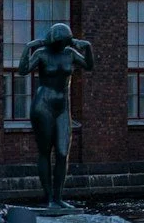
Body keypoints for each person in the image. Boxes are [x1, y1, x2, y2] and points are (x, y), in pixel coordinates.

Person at [22, 24, 95, 211]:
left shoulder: (70, 53)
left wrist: (87, 47)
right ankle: (49, 199)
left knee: (63, 153)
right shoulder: (41, 54)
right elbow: (23, 70)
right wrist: (28, 48)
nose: (62, 45)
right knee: (45, 152)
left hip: (62, 108)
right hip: (43, 105)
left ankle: (58, 197)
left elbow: (89, 65)